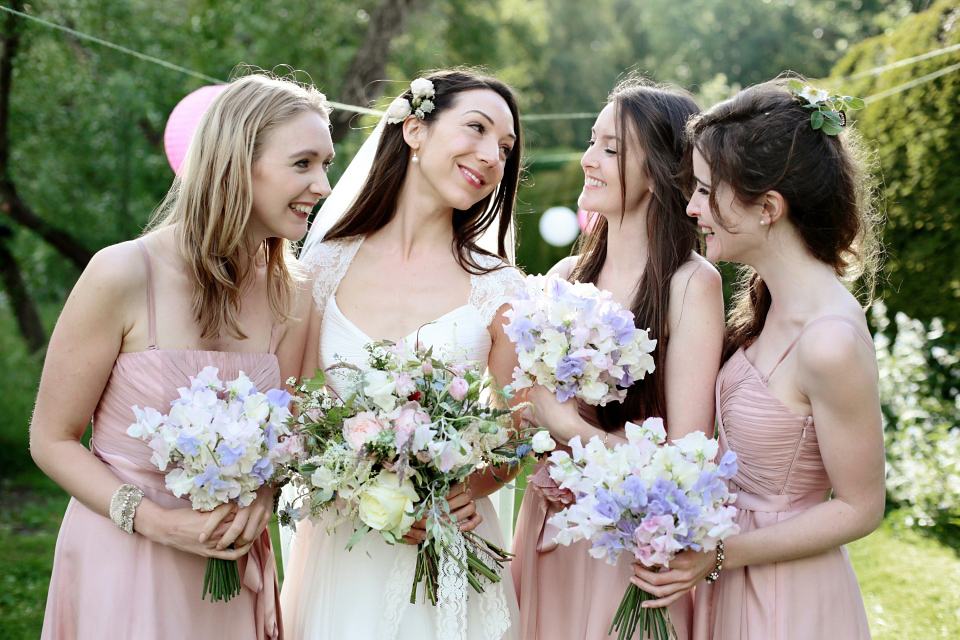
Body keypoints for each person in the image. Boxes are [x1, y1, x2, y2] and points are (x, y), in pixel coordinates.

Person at [30, 71, 334, 639]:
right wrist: (154, 522)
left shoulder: (293, 291)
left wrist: (263, 494)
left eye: (326, 165)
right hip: (122, 556)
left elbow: (289, 428)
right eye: (303, 164)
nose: (322, 184)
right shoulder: (122, 272)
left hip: (229, 562)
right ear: (235, 164)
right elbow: (51, 439)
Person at [630, 77, 885, 640]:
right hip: (732, 572)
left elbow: (860, 508)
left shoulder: (830, 341)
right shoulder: (765, 305)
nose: (691, 208)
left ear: (768, 206)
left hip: (787, 598)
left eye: (704, 191)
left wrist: (720, 554)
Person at [280, 69, 526, 640]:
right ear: (414, 129)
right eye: (477, 129)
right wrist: (361, 486)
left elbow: (520, 430)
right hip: (345, 550)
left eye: (506, 148)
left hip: (453, 546)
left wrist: (474, 486)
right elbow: (290, 406)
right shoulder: (321, 267)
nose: (493, 156)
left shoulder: (501, 288)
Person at [511, 77, 725, 639]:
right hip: (551, 530)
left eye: (610, 149)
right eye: (591, 141)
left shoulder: (690, 284)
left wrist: (562, 424)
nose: (588, 160)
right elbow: (524, 414)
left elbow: (683, 461)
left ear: (658, 171)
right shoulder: (563, 279)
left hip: (628, 547)